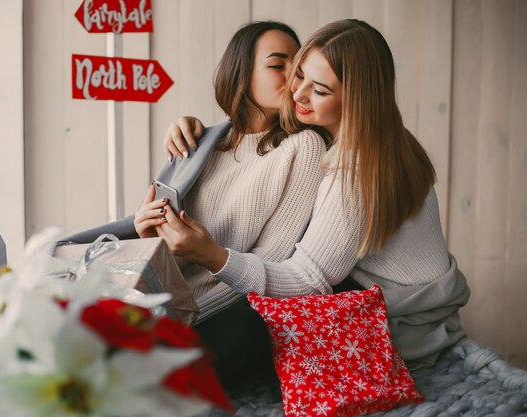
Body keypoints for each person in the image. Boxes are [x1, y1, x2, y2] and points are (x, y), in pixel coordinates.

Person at [155, 19, 470, 370]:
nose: (297, 91)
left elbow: (308, 281)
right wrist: (203, 136)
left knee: (240, 330)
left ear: (356, 99)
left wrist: (215, 256)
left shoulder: (355, 172)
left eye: (319, 90)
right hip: (412, 307)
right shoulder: (386, 138)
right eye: (299, 73)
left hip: (399, 325)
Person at [62, 21, 327, 390]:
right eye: (277, 65)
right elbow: (156, 244)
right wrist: (145, 229)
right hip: (155, 297)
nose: (293, 80)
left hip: (218, 313)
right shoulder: (201, 141)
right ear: (241, 73)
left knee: (244, 333)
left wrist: (206, 263)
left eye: (296, 68)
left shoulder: (303, 147)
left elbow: (274, 260)